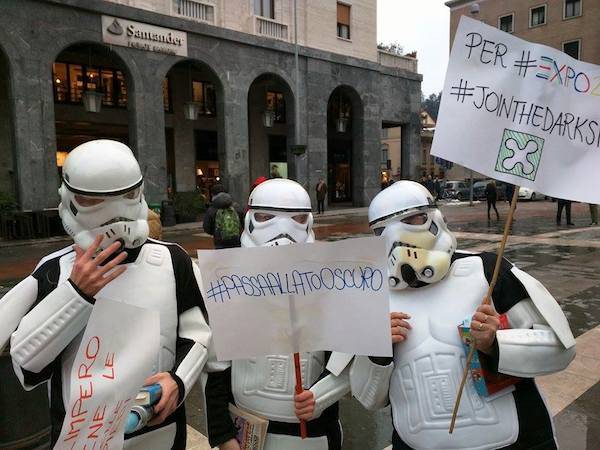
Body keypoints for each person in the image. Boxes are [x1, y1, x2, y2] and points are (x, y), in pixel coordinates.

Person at [6, 140, 211, 449]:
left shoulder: (173, 261)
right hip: (81, 437)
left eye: (128, 196)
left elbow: (197, 334)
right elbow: (28, 368)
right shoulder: (55, 271)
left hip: (159, 430)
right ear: (71, 199)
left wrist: (178, 381)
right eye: (92, 201)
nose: (114, 215)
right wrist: (76, 294)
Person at [354, 180, 576, 450]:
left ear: (435, 218)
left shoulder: (488, 272)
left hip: (513, 440)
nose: (396, 238)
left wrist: (496, 344)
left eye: (412, 220)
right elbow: (367, 396)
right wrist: (378, 352)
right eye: (381, 231)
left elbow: (559, 346)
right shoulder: (374, 295)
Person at [203, 178, 384, 450]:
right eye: (267, 217)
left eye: (297, 218)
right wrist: (222, 434)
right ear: (250, 219)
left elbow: (346, 362)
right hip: (248, 431)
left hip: (313, 433)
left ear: (309, 222)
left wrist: (320, 396)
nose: (282, 231)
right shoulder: (230, 284)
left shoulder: (330, 285)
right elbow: (215, 368)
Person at [203, 184, 244, 249]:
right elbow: (243, 223)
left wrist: (216, 232)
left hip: (220, 242)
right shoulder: (236, 207)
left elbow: (207, 228)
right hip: (236, 240)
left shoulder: (212, 209)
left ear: (213, 194)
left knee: (222, 258)